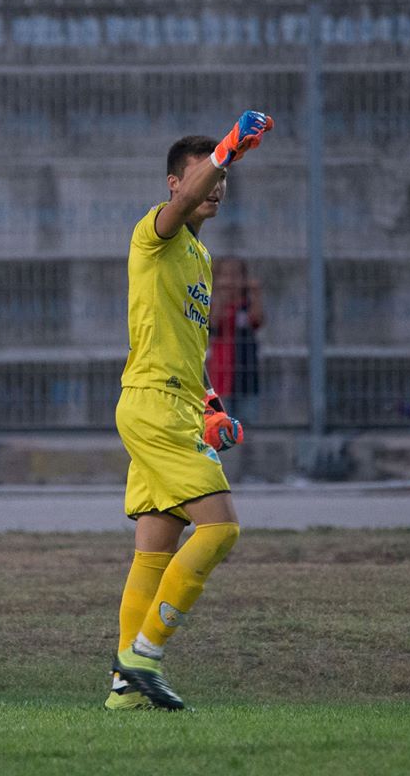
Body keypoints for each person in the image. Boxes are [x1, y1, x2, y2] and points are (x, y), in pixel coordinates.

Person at [106, 111, 273, 711]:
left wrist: (209, 407)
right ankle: (144, 655)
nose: (218, 187)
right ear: (175, 184)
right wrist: (228, 148)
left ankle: (125, 693)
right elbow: (188, 199)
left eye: (221, 177)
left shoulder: (200, 260)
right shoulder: (156, 233)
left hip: (172, 402)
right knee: (221, 528)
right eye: (205, 176)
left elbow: (188, 346)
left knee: (155, 547)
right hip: (152, 405)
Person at [206, 257, 264, 424]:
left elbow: (258, 320)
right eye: (226, 276)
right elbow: (213, 323)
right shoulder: (214, 303)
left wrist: (255, 294)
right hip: (221, 377)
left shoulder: (247, 304)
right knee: (220, 424)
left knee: (249, 423)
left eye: (236, 275)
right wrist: (220, 297)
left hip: (247, 376)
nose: (231, 281)